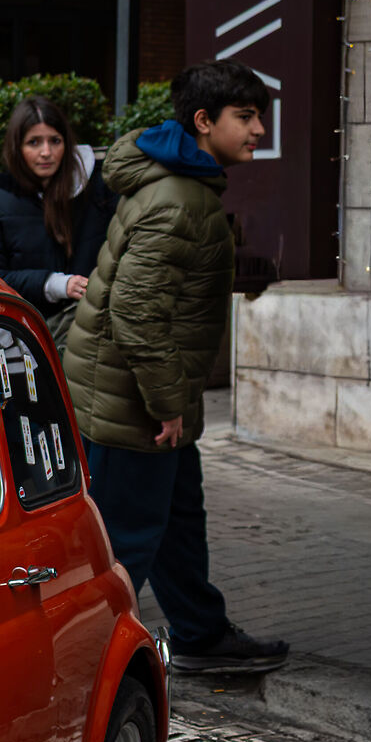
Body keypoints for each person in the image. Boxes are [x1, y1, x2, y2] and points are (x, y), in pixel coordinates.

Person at [63, 60, 288, 675]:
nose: (258, 131)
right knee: (126, 544)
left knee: (180, 523)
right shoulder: (181, 201)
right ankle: (92, 672)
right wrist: (165, 403)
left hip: (153, 394)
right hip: (133, 403)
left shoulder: (176, 181)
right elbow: (137, 312)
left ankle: (198, 632)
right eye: (245, 117)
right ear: (202, 121)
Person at [0, 95, 115, 349]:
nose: (46, 152)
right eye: (34, 142)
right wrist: (55, 283)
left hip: (93, 333)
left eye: (55, 141)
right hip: (23, 339)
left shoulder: (98, 189)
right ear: (17, 147)